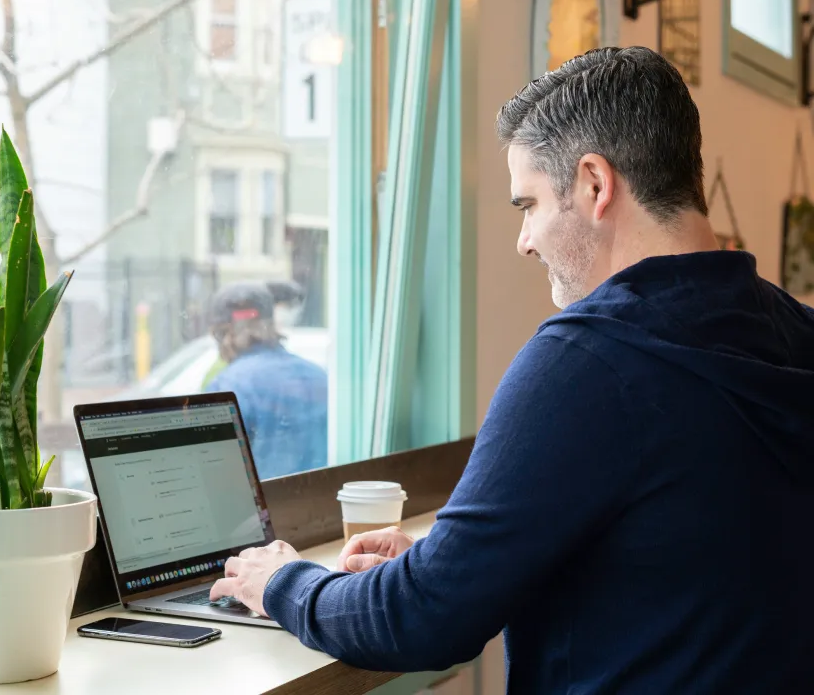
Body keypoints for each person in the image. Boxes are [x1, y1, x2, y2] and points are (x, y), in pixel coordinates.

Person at [210, 48, 814, 692]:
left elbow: (422, 619)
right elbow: (691, 557)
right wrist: (471, 563)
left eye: (528, 205)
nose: (525, 241)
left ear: (594, 184)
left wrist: (282, 582)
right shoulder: (790, 330)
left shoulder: (589, 359)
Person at [205, 282, 327, 480]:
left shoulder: (226, 388)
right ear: (271, 325)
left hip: (267, 508)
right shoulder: (320, 376)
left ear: (222, 334)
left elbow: (214, 474)